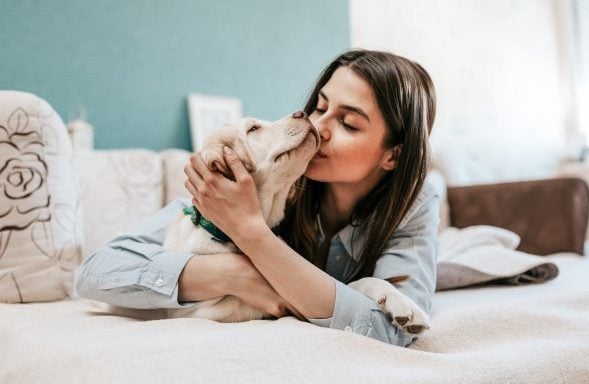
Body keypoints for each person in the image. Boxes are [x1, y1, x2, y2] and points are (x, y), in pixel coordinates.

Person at [74, 49, 439, 347]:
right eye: (321, 106)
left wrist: (252, 234)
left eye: (348, 123)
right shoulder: (263, 178)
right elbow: (96, 273)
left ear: (393, 154)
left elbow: (394, 331)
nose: (319, 126)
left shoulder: (415, 203)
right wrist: (233, 273)